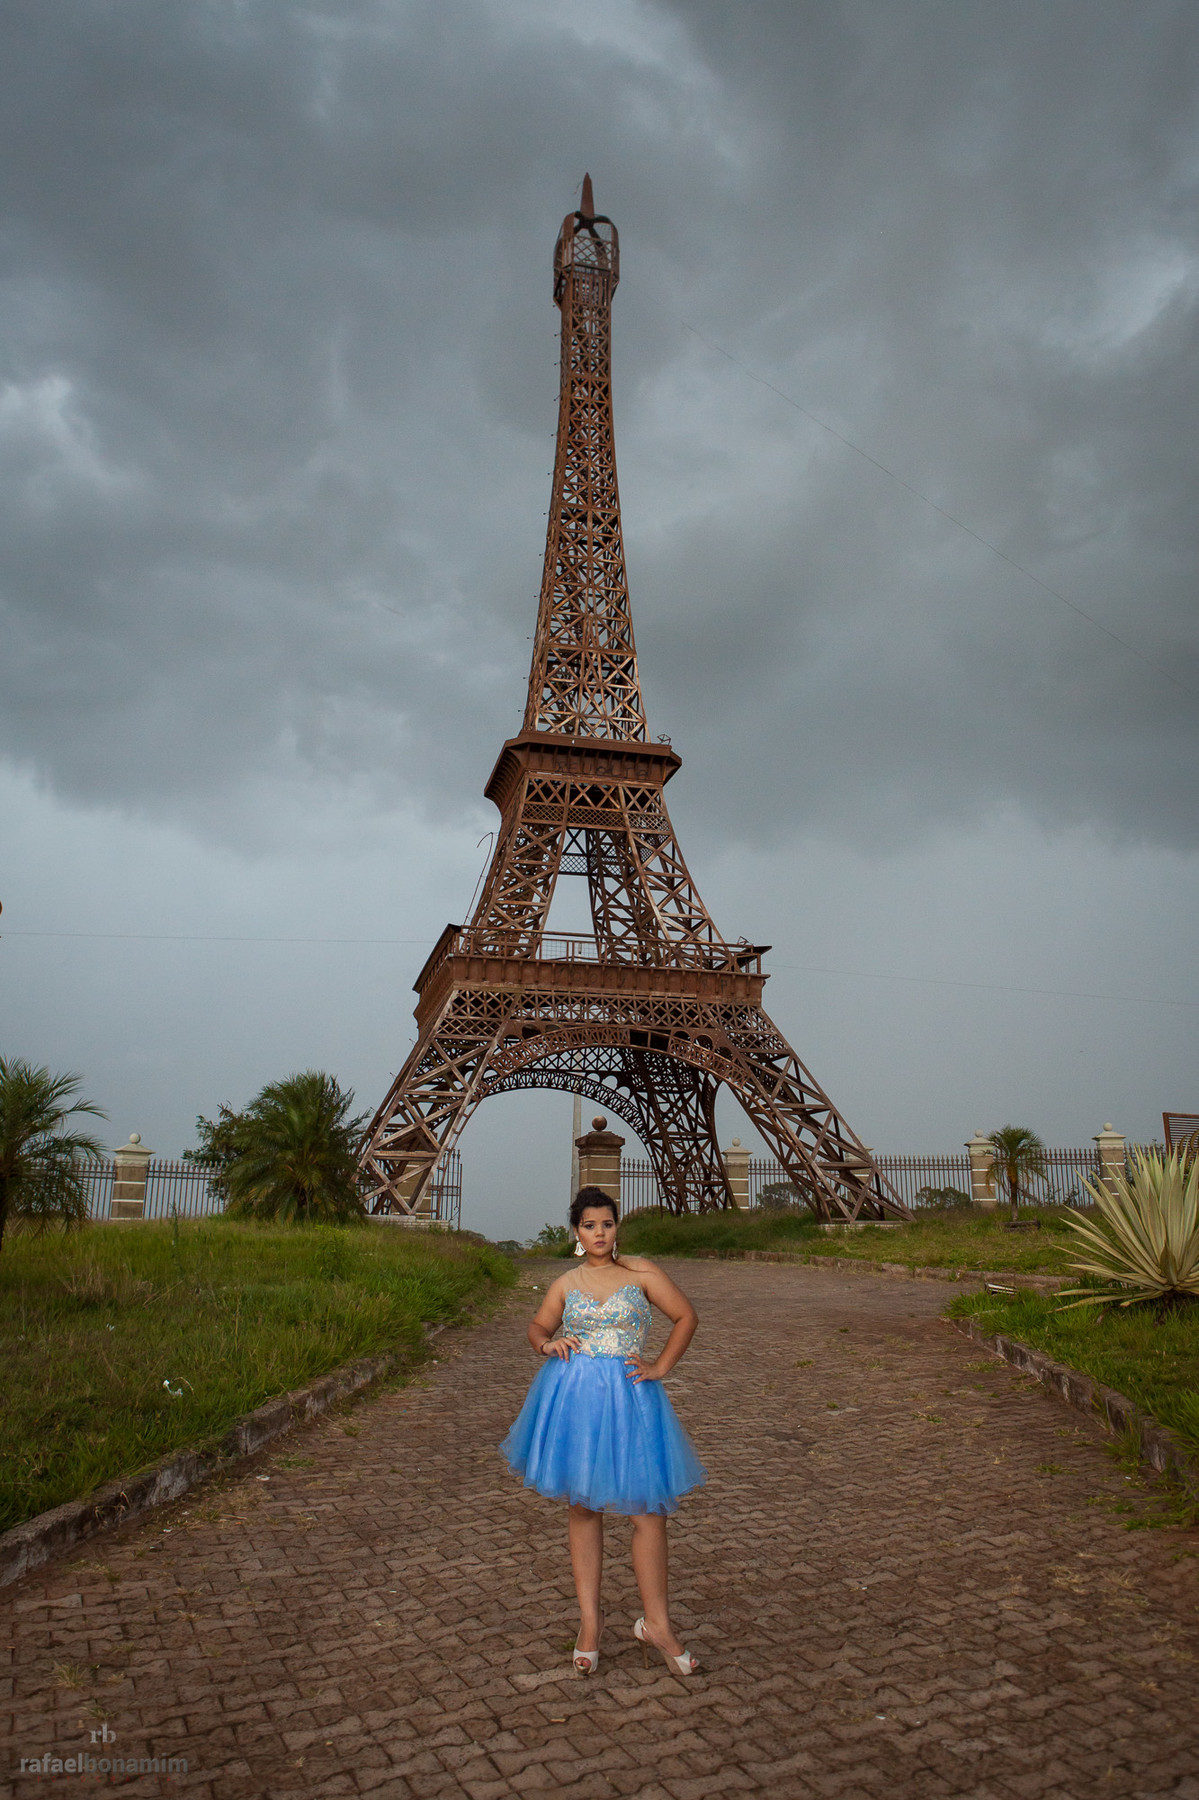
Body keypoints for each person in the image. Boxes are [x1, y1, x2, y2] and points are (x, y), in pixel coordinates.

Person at [500, 1185, 706, 1676]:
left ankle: (657, 1623)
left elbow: (685, 1316)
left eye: (607, 1224)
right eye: (590, 1226)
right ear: (577, 1232)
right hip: (576, 1400)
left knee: (647, 1512)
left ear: (617, 1228)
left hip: (632, 1400)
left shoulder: (642, 1272)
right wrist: (546, 1346)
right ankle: (589, 1624)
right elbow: (537, 1328)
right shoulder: (566, 1283)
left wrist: (661, 1365)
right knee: (583, 1506)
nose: (600, 1233)